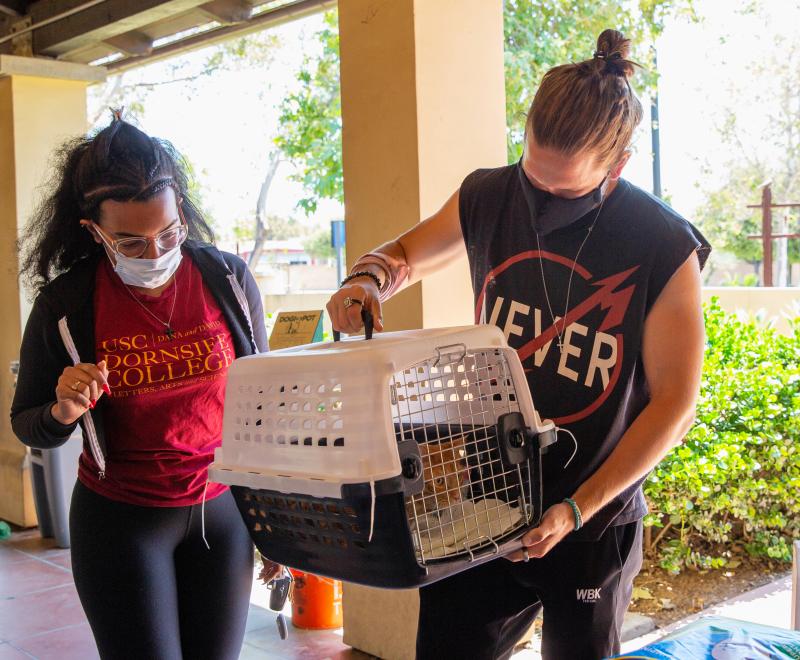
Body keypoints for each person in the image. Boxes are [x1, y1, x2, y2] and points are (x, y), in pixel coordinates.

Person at [327, 29, 711, 660]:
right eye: (533, 175)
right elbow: (402, 256)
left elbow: (674, 404)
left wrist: (576, 509)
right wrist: (366, 280)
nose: (538, 200)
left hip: (591, 514)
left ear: (615, 169)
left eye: (562, 192)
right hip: (486, 495)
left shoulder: (661, 244)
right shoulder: (490, 193)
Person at [11, 116, 268, 660]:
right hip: (122, 523)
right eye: (130, 240)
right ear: (92, 231)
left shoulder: (227, 280)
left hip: (221, 514)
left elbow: (260, 402)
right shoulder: (67, 305)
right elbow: (27, 421)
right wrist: (62, 411)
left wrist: (277, 517)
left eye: (169, 233)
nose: (154, 254)